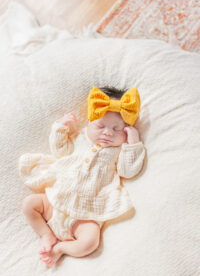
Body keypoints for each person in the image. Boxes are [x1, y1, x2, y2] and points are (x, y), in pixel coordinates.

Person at [19, 85, 145, 267]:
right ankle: (47, 234)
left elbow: (128, 171)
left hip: (85, 216)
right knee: (29, 204)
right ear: (89, 123)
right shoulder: (81, 139)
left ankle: (60, 249)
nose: (108, 133)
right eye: (100, 126)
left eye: (117, 129)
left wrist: (133, 144)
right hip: (55, 202)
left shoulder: (118, 151)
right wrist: (60, 129)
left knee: (90, 242)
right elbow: (60, 152)